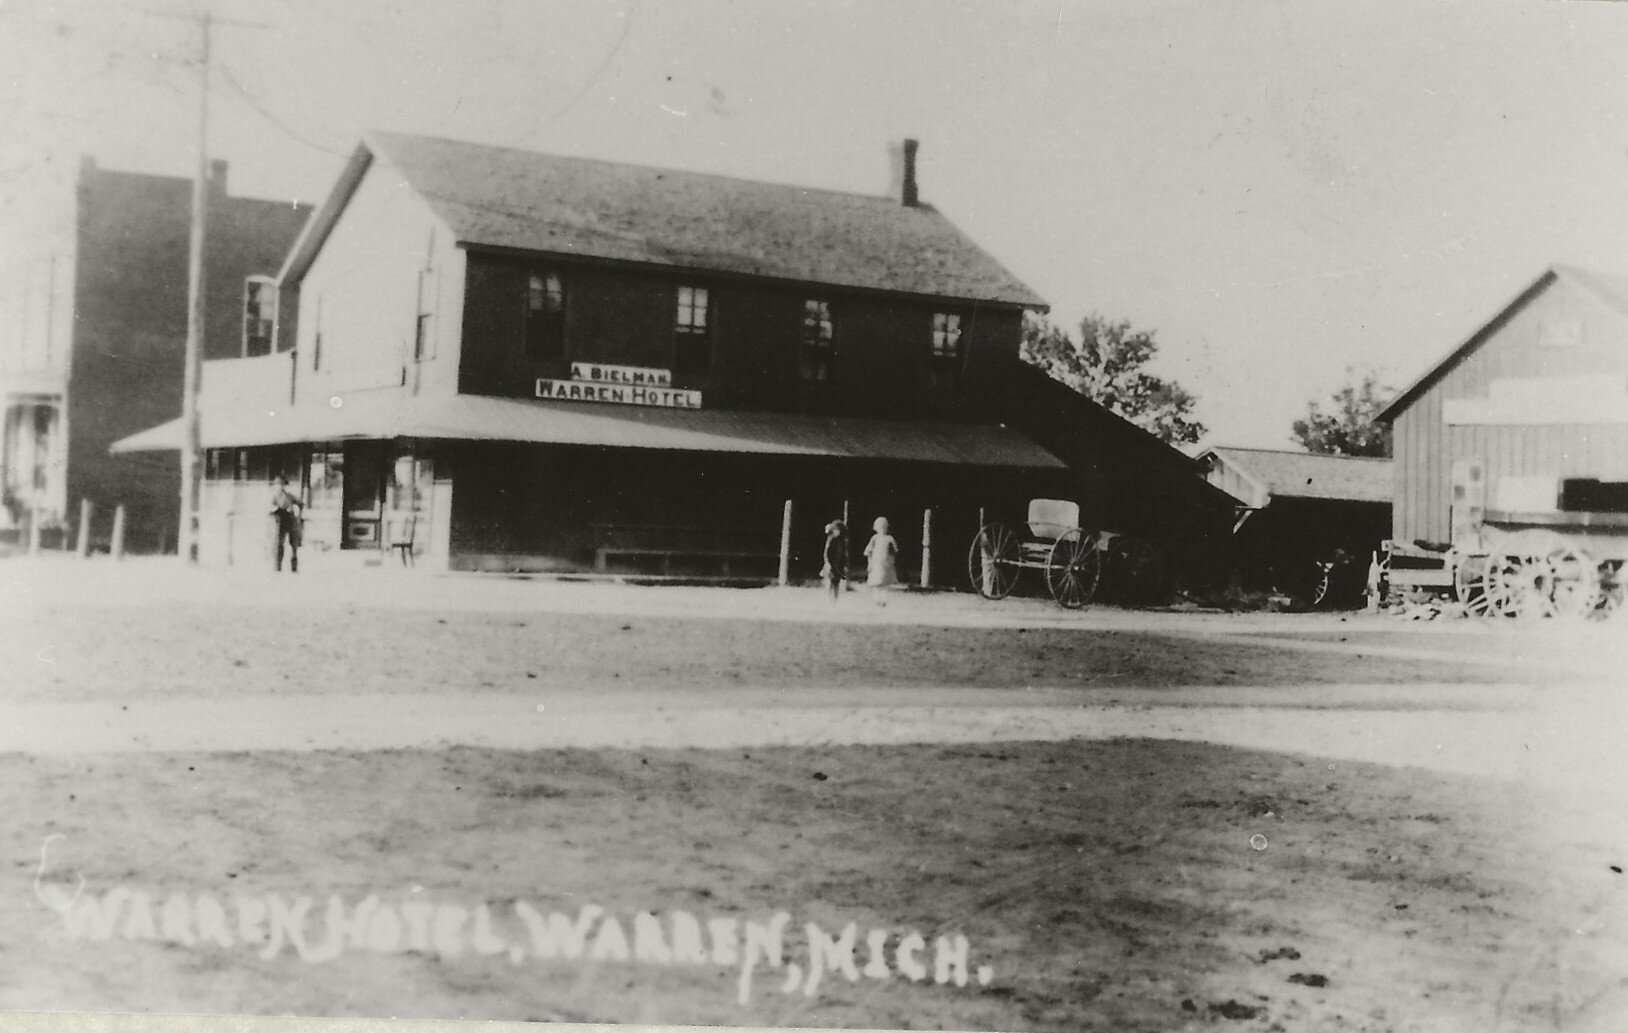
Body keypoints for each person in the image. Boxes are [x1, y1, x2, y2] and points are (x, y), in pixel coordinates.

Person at [270, 475, 304, 573]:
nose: (280, 487)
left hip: (291, 520)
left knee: (294, 545)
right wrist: (274, 512)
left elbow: (300, 504)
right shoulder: (275, 497)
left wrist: (298, 515)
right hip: (280, 522)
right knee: (279, 544)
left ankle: (294, 566)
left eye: (282, 484)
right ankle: (278, 566)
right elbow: (270, 509)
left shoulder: (289, 496)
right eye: (278, 484)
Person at [864, 516, 899, 589]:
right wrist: (869, 562)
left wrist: (892, 560)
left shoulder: (889, 539)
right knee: (876, 578)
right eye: (880, 527)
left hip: (886, 562)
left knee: (884, 579)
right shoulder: (874, 538)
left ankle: (883, 596)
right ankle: (877, 595)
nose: (883, 529)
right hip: (876, 561)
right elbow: (869, 551)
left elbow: (894, 551)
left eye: (884, 527)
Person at [821, 519, 848, 600]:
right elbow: (827, 552)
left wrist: (845, 564)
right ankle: (829, 597)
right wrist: (827, 562)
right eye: (836, 530)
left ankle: (835, 598)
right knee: (830, 581)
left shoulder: (842, 541)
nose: (837, 532)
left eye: (839, 530)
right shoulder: (831, 539)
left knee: (837, 582)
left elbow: (844, 554)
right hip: (831, 564)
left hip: (839, 565)